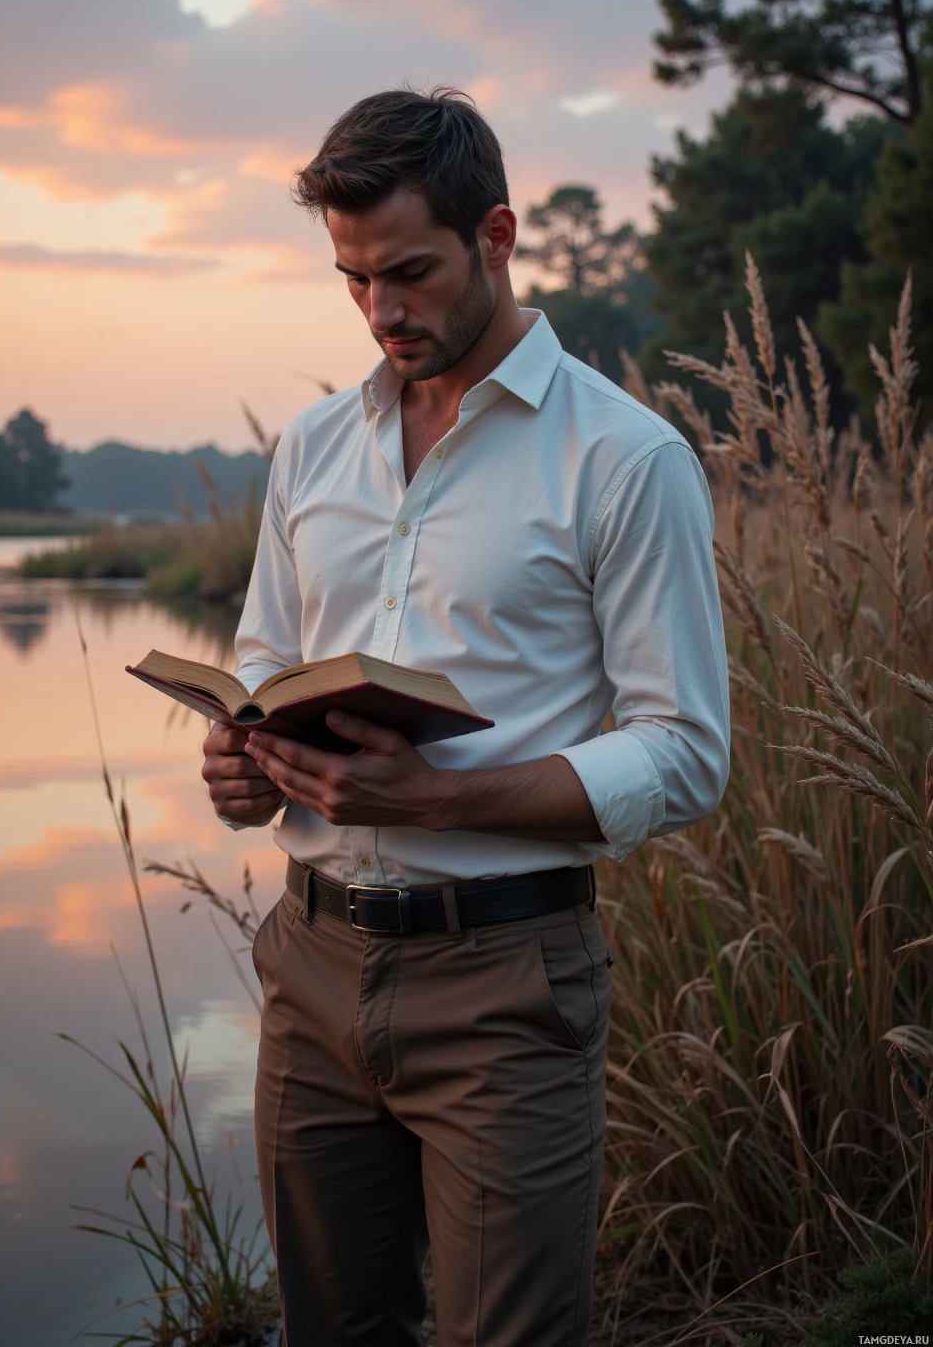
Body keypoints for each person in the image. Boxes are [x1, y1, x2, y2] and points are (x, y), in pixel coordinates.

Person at [201, 87, 729, 1347]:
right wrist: (246, 759)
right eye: (350, 280)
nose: (381, 312)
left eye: (409, 273)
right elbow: (268, 655)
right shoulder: (313, 449)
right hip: (309, 967)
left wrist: (441, 801)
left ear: (494, 236)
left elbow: (685, 751)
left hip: (507, 984)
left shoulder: (626, 457)